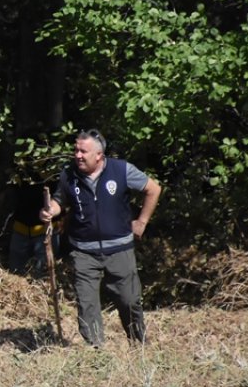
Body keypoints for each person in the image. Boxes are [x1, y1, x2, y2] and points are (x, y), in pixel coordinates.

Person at [40, 130, 161, 346]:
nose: (77, 155)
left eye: (82, 151)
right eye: (75, 150)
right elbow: (60, 200)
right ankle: (97, 353)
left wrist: (142, 222)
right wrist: (50, 210)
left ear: (99, 155)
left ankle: (138, 344)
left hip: (120, 249)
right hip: (83, 252)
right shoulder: (69, 175)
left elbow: (153, 189)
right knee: (87, 305)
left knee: (129, 300)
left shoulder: (121, 170)